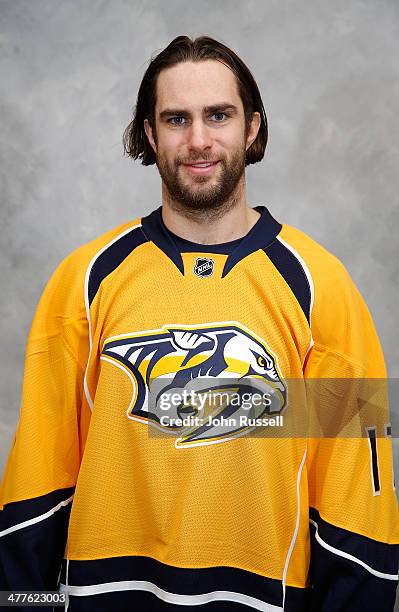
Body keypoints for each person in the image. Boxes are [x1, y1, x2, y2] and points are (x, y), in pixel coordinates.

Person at [1, 35, 398, 612]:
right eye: (175, 119)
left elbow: (358, 495)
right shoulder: (86, 280)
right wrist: (24, 605)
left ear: (253, 128)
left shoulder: (321, 288)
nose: (198, 140)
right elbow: (37, 486)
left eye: (219, 115)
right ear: (148, 133)